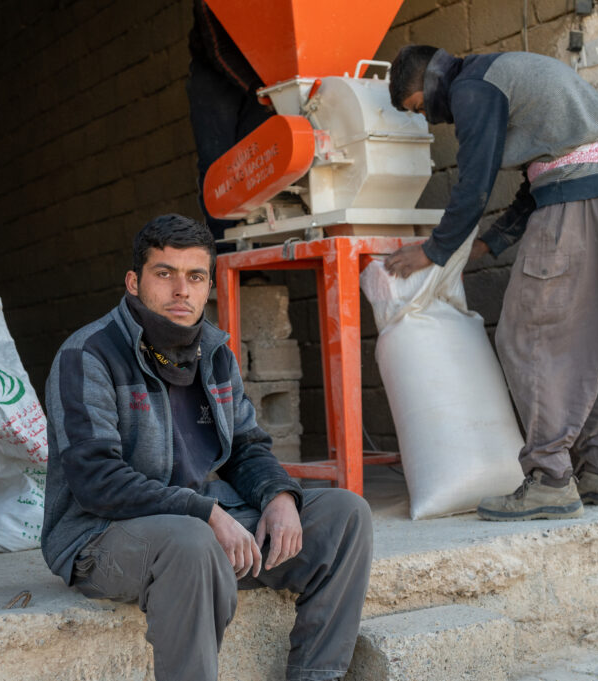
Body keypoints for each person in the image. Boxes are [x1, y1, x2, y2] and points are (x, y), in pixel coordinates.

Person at [40, 214, 372, 681]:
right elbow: (97, 481)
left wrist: (278, 496)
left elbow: (244, 446)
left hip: (196, 521)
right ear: (134, 282)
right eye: (165, 274)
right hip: (100, 536)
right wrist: (207, 514)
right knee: (192, 542)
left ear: (207, 284)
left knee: (344, 514)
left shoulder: (214, 354)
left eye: (195, 277)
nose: (182, 291)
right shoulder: (88, 355)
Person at [384, 45, 598, 521]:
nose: (432, 122)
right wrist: (492, 243)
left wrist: (433, 250)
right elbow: (541, 172)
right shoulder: (504, 73)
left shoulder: (472, 86)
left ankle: (549, 480)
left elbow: (474, 183)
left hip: (573, 210)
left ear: (430, 82)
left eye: (420, 108)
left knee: (529, 337)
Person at [186, 0, 273, 245]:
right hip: (214, 73)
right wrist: (258, 89)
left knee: (255, 162)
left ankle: (250, 252)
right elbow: (217, 49)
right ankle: (224, 251)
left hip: (261, 68)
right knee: (218, 165)